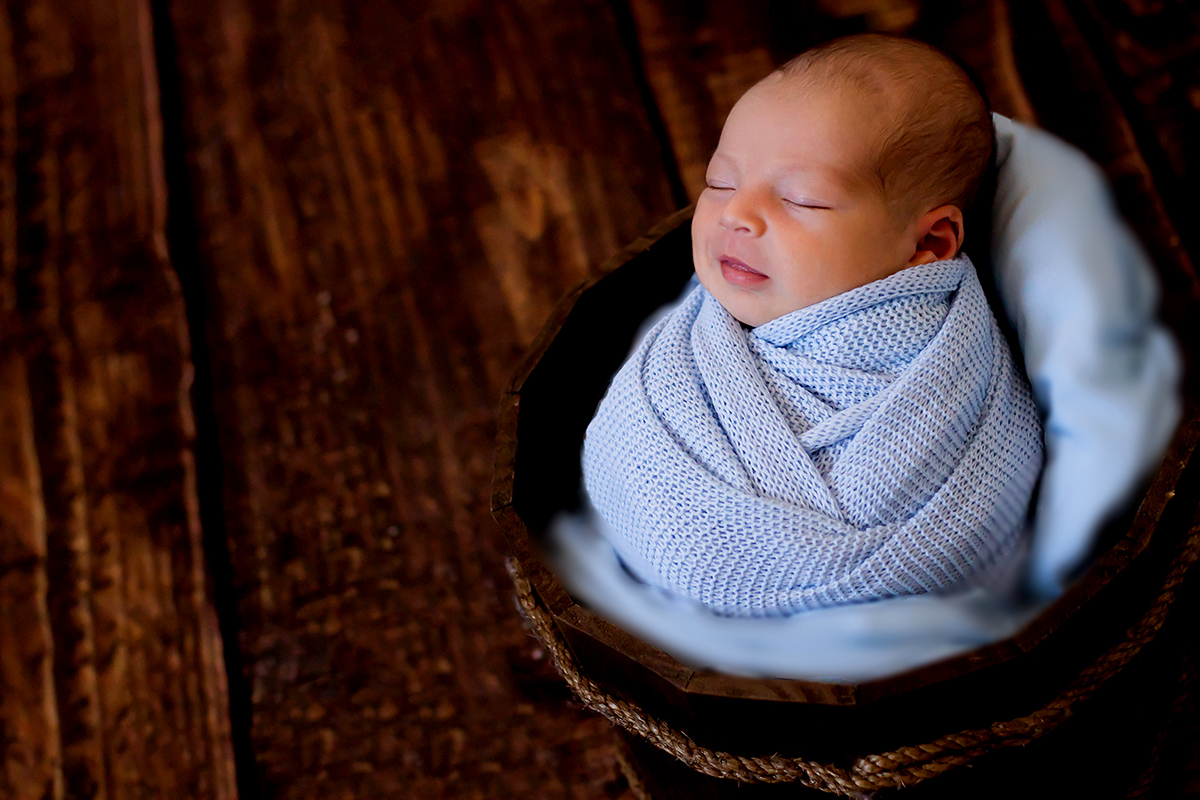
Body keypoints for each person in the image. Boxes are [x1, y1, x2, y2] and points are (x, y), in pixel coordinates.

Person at [580, 34, 1044, 617]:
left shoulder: (952, 372)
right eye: (720, 182)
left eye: (801, 199)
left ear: (928, 243)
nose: (736, 214)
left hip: (895, 644)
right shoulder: (696, 335)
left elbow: (987, 496)